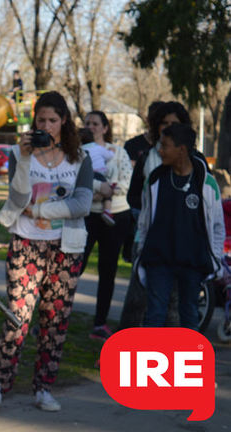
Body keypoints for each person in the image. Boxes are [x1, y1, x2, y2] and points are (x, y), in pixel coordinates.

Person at [0, 91, 93, 414]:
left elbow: (82, 204)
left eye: (52, 120)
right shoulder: (18, 153)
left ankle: (44, 387)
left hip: (65, 247)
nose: (46, 125)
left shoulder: (79, 157)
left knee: (55, 319)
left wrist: (44, 210)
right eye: (40, 120)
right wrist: (26, 159)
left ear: (64, 121)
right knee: (17, 315)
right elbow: (20, 197)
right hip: (26, 243)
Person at [135, 123, 224, 329]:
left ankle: (188, 358)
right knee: (155, 312)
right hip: (159, 259)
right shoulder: (155, 180)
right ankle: (151, 358)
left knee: (189, 312)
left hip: (192, 261)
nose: (160, 150)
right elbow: (144, 220)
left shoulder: (206, 183)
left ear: (181, 150)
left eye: (165, 146)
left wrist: (215, 256)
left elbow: (218, 225)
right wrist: (141, 248)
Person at [79, 111, 133, 341]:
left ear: (105, 127)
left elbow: (126, 179)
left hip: (116, 215)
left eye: (95, 123)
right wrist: (97, 193)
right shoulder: (79, 151)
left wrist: (110, 191)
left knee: (108, 270)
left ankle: (100, 323)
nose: (91, 127)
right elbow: (76, 179)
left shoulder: (117, 151)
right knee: (75, 266)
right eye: (87, 123)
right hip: (89, 214)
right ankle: (53, 316)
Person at [123, 101, 163, 166]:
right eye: (154, 120)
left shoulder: (171, 148)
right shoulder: (131, 145)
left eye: (162, 122)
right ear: (147, 120)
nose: (157, 124)